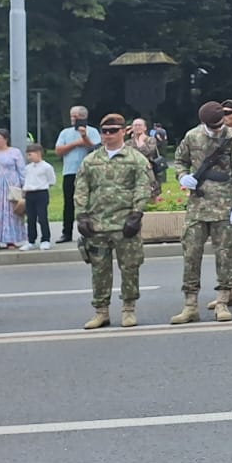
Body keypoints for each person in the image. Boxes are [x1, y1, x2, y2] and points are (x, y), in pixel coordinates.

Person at [171, 101, 232, 324]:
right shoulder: (192, 137)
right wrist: (181, 176)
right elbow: (179, 160)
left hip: (225, 206)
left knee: (225, 255)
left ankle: (223, 301)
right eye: (212, 126)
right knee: (191, 255)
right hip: (197, 207)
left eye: (219, 125)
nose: (217, 130)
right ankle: (190, 304)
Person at [74, 114, 154, 328]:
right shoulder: (91, 160)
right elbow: (81, 189)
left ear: (123, 131)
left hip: (125, 223)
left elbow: (143, 186)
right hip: (97, 224)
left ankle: (129, 309)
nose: (107, 135)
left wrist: (137, 214)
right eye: (104, 131)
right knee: (99, 270)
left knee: (129, 268)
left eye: (112, 131)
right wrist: (81, 216)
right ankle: (101, 311)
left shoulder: (135, 159)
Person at [54, 106, 96, 245]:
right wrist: (76, 143)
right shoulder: (65, 133)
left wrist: (84, 136)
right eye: (72, 116)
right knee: (69, 203)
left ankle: (91, 231)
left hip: (88, 172)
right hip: (70, 171)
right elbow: (59, 151)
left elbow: (96, 149)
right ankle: (66, 232)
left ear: (83, 117)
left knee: (90, 202)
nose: (73, 119)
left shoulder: (92, 131)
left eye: (76, 116)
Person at [0, 128, 27, 251]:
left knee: (10, 213)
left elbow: (21, 170)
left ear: (5, 139)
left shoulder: (15, 152)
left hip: (11, 186)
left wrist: (24, 187)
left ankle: (11, 240)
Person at [22, 142, 56, 248]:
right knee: (30, 218)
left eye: (30, 154)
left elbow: (51, 180)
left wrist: (42, 186)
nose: (29, 157)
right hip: (29, 194)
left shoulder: (46, 167)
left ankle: (45, 239)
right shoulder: (28, 168)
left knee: (42, 217)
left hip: (41, 193)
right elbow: (26, 180)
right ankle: (31, 240)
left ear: (38, 153)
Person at [129, 118, 164, 198]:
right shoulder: (129, 142)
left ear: (145, 128)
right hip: (133, 171)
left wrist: (140, 142)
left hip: (148, 171)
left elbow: (147, 153)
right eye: (135, 125)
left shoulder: (151, 140)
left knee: (152, 193)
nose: (137, 127)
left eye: (140, 125)